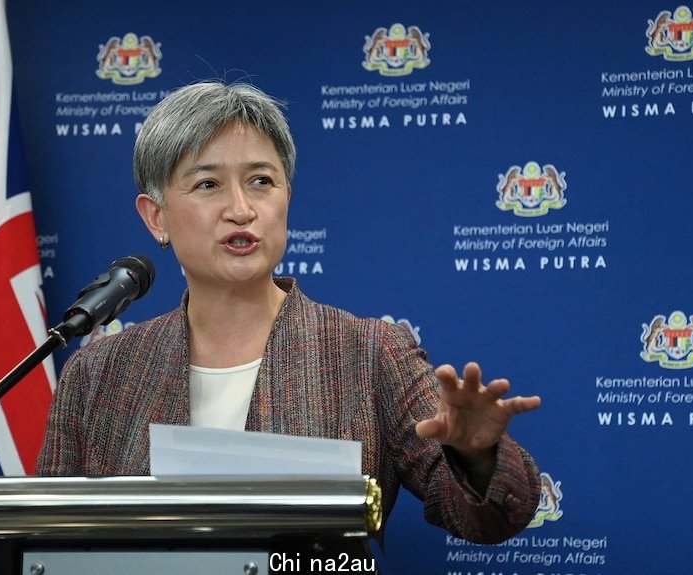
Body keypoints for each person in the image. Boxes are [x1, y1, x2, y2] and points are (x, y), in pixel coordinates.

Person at [36, 80, 542, 544]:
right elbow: (49, 544)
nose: (241, 208)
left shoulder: (368, 354)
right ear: (156, 217)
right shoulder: (99, 375)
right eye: (208, 184)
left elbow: (486, 519)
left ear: (286, 199)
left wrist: (476, 456)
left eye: (261, 181)